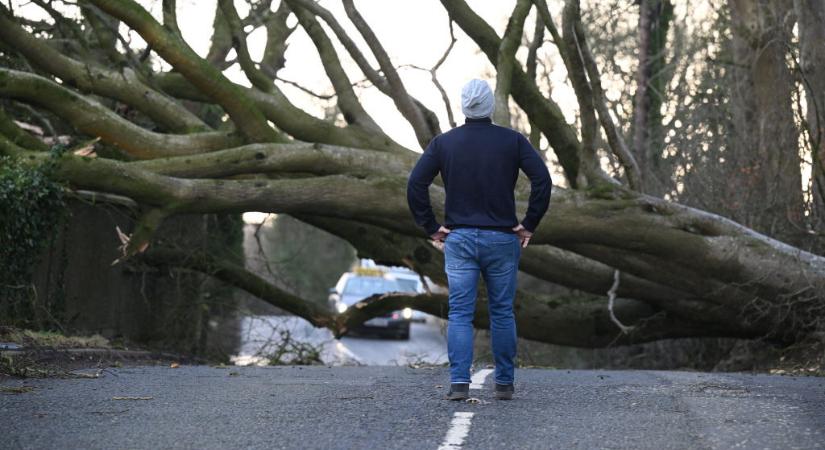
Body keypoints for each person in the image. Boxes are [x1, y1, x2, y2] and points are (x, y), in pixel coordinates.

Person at [406, 79, 552, 401]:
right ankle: (504, 384)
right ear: (490, 106)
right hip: (502, 239)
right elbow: (542, 180)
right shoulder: (512, 141)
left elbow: (415, 184)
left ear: (464, 106)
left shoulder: (444, 144)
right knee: (502, 311)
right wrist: (529, 224)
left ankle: (459, 383)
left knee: (460, 312)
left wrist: (430, 227)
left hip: (458, 239)